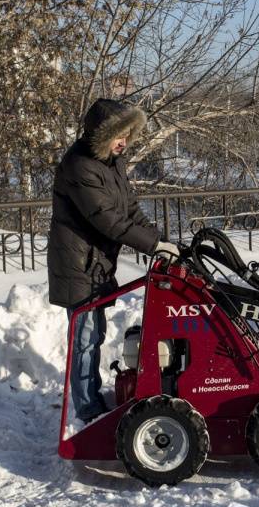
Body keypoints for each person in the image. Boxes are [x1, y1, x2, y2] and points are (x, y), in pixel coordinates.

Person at [48, 98, 178, 423]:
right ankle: (88, 411)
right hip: (78, 266)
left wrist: (161, 240)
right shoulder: (79, 166)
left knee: (94, 334)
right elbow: (108, 220)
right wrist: (152, 246)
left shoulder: (110, 161)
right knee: (85, 338)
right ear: (101, 135)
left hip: (95, 263)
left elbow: (129, 210)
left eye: (127, 134)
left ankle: (91, 399)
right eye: (118, 135)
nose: (124, 141)